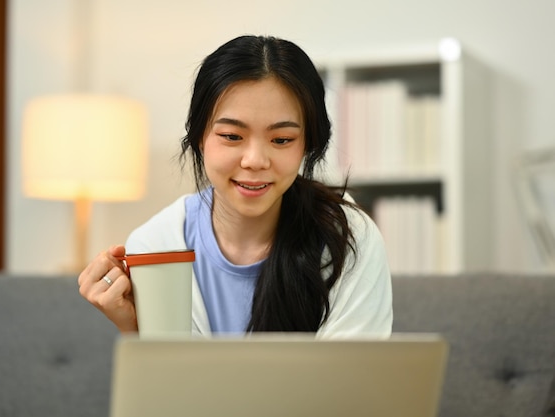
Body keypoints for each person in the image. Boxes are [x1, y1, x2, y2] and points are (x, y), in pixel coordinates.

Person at [78, 34, 392, 337]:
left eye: (281, 139)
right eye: (231, 137)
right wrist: (135, 331)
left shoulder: (348, 236)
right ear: (200, 136)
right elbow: (172, 387)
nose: (255, 160)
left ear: (308, 144)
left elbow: (351, 385)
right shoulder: (155, 245)